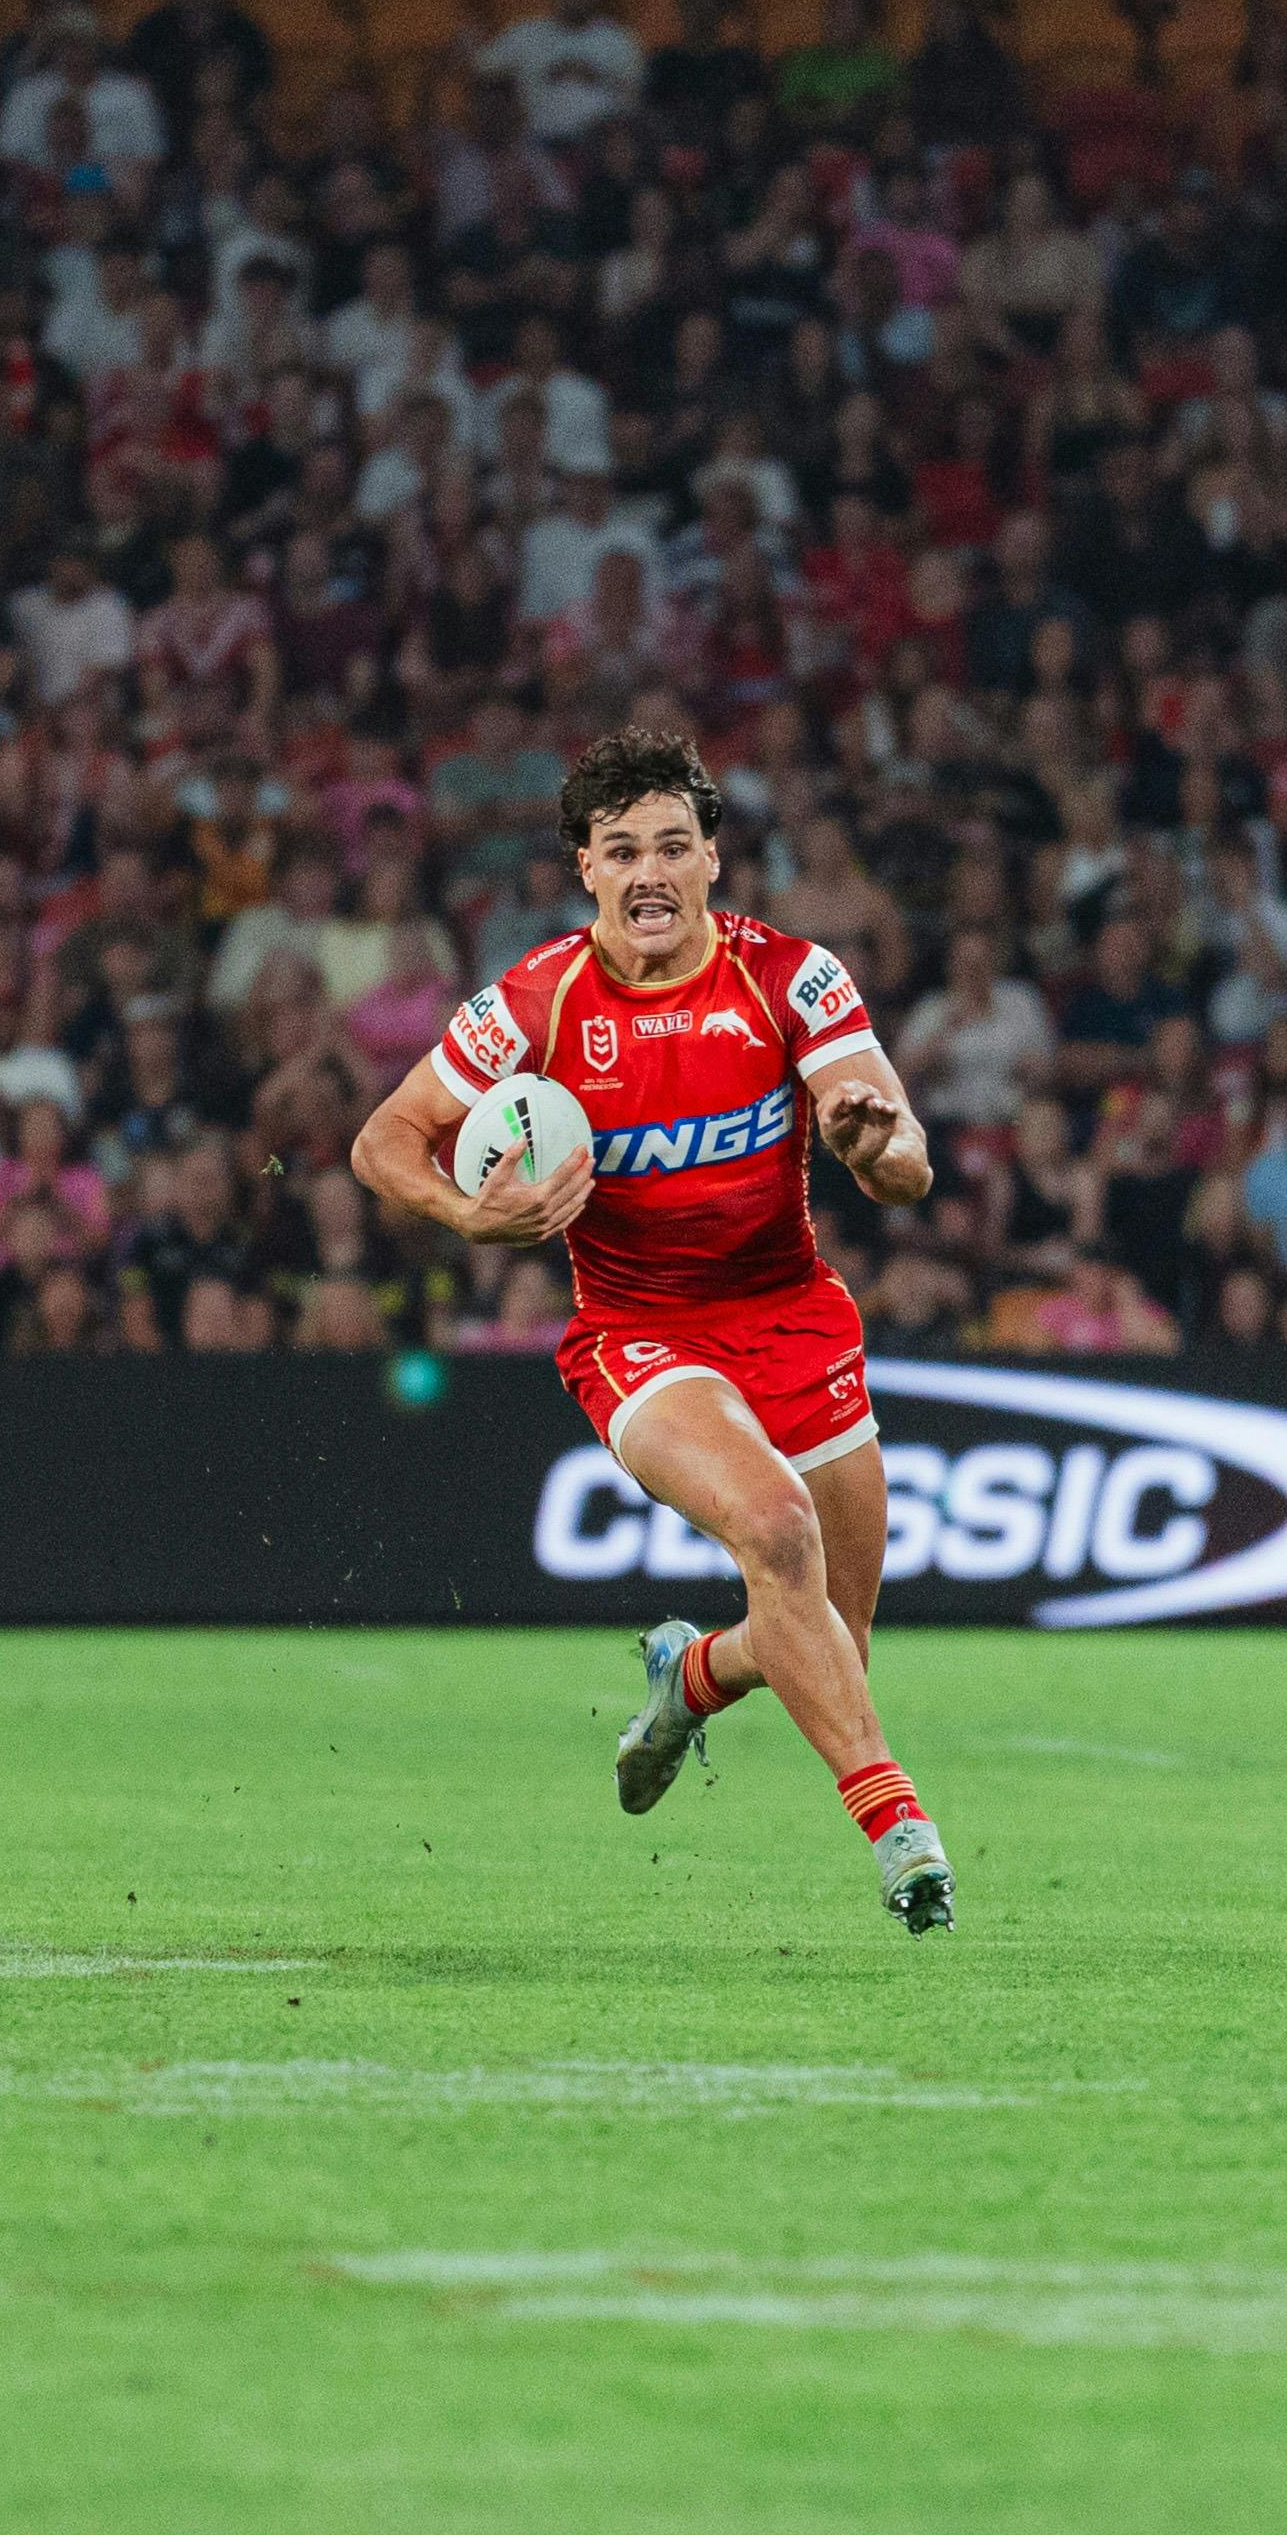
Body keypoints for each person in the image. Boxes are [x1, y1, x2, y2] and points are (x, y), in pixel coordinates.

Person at [349, 726, 954, 1935]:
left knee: (832, 1641)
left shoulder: (792, 978)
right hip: (642, 1336)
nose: (649, 873)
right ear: (583, 868)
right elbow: (381, 1143)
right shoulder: (536, 999)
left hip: (793, 1319)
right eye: (620, 850)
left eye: (672, 846)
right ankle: (902, 1831)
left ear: (712, 861)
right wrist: (474, 1216)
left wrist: (872, 1142)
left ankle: (689, 1675)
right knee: (775, 1527)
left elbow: (908, 1167)